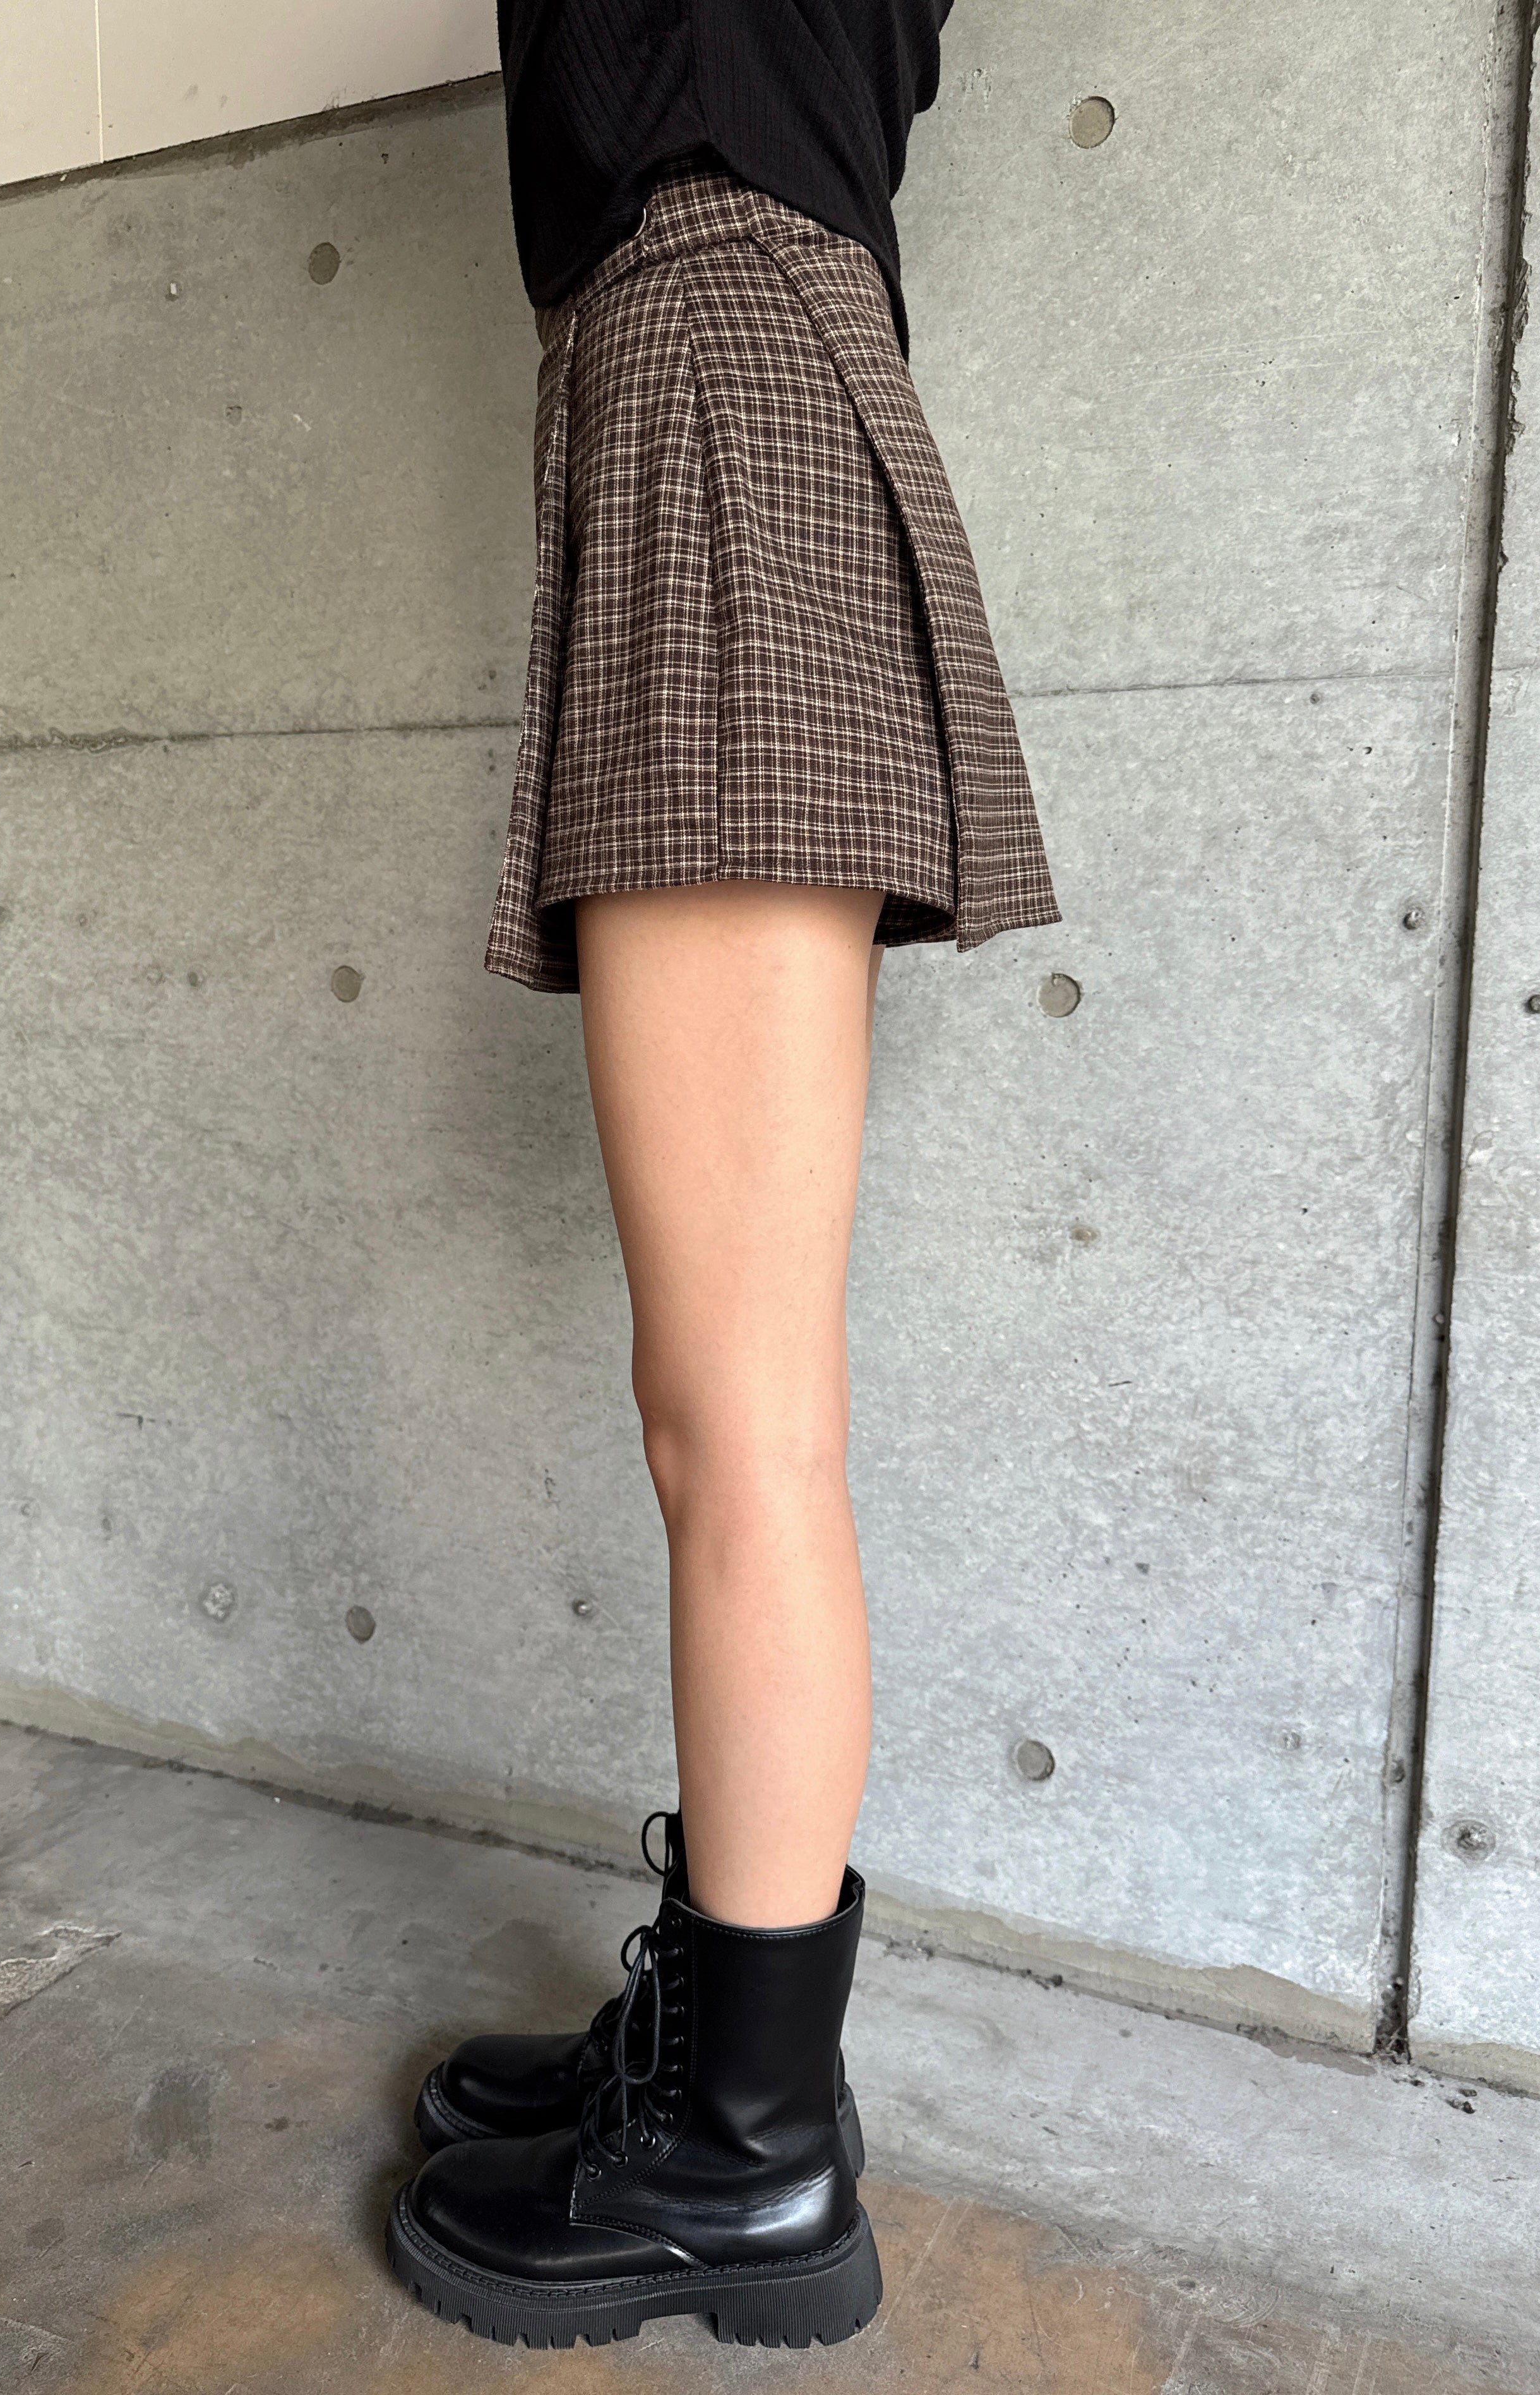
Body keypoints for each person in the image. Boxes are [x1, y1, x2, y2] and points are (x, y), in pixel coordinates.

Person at [386, 0, 1060, 2350]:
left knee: (737, 1416)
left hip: (721, 394)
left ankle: (746, 2162)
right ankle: (725, 2043)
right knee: (723, 1408)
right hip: (695, 387)